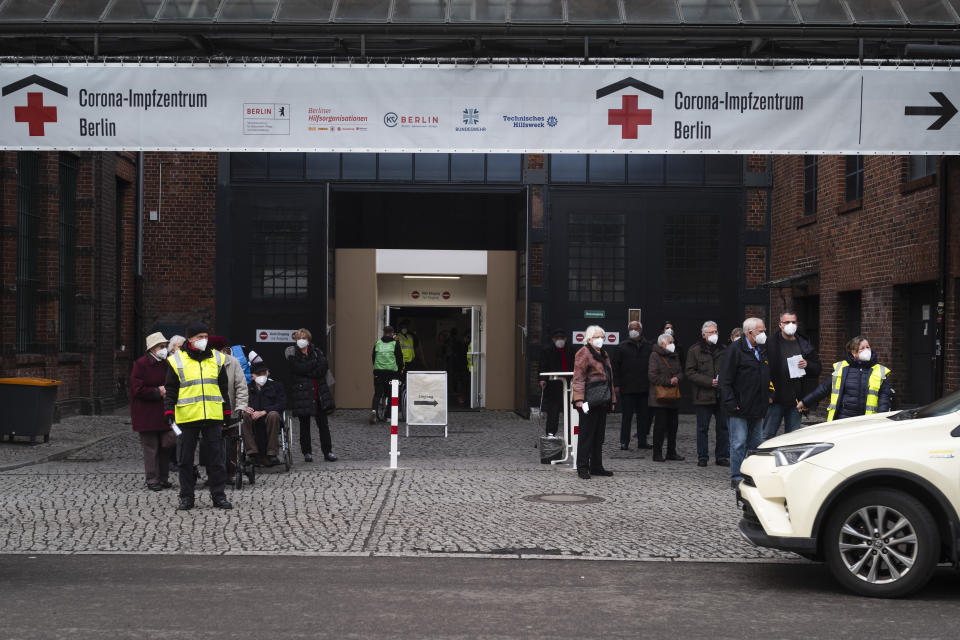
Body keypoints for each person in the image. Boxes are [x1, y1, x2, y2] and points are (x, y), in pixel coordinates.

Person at [163, 322, 233, 511]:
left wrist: (227, 411)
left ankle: (219, 496)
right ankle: (187, 497)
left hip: (212, 415)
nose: (204, 340)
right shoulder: (177, 360)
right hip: (187, 417)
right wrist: (169, 411)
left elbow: (223, 388)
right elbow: (171, 390)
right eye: (199, 337)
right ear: (191, 339)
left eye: (205, 336)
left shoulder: (217, 359)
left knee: (216, 459)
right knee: (185, 460)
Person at [721, 317, 772, 489]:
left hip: (758, 406)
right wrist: (731, 402)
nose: (764, 334)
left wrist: (769, 393)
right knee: (739, 443)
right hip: (739, 406)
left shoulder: (763, 349)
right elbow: (725, 380)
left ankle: (751, 475)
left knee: (755, 444)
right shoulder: (735, 350)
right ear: (750, 332)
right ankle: (736, 476)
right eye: (761, 331)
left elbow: (767, 374)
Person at [798, 336, 892, 421]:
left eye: (868, 347)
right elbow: (824, 389)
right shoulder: (841, 368)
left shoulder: (879, 370)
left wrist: (881, 419)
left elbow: (884, 399)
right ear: (853, 353)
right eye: (862, 348)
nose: (866, 350)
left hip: (867, 421)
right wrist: (805, 402)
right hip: (844, 419)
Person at [763, 311, 822, 440]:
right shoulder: (770, 343)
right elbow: (763, 369)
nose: (791, 324)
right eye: (787, 322)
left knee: (793, 438)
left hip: (796, 400)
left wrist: (808, 365)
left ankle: (791, 460)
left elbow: (817, 368)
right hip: (775, 398)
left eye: (793, 322)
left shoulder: (804, 343)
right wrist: (768, 392)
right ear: (780, 324)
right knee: (767, 435)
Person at [130, 332, 175, 491]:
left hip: (164, 412)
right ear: (152, 349)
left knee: (166, 445)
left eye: (165, 346)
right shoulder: (141, 364)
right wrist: (158, 391)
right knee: (151, 447)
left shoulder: (167, 364)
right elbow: (137, 389)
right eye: (161, 347)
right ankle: (152, 479)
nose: (164, 349)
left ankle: (163, 478)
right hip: (146, 414)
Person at [571, 325, 616, 480]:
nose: (600, 340)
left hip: (602, 400)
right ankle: (582, 467)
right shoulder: (583, 353)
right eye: (597, 337)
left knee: (598, 436)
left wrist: (612, 399)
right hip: (589, 400)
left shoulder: (603, 353)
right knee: (586, 436)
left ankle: (597, 466)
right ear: (589, 338)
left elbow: (609, 379)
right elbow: (578, 378)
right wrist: (579, 400)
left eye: (602, 337)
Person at [286, 328, 337, 463]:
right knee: (304, 425)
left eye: (304, 338)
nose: (301, 341)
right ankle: (307, 452)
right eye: (299, 338)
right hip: (302, 394)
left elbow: (323, 367)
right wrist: (312, 366)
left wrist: (308, 369)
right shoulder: (292, 354)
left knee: (323, 424)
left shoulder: (316, 352)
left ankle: (328, 451)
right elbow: (297, 369)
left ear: (308, 340)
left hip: (318, 393)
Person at [685, 321, 729, 468]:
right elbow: (690, 372)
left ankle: (721, 456)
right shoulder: (695, 350)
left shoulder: (723, 349)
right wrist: (709, 382)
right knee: (702, 428)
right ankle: (702, 457)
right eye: (711, 332)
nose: (714, 335)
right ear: (704, 334)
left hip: (720, 395)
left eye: (716, 332)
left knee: (723, 427)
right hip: (703, 395)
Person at [612, 320, 654, 450]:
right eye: (631, 328)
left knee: (644, 417)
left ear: (641, 330)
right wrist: (617, 384)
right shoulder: (622, 347)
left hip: (644, 388)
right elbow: (616, 367)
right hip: (627, 388)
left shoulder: (649, 346)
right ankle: (624, 442)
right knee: (627, 417)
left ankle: (642, 441)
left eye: (636, 328)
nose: (634, 330)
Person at [648, 332, 685, 462]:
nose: (672, 345)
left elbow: (681, 372)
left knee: (673, 426)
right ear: (663, 344)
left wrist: (677, 378)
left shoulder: (675, 355)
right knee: (660, 426)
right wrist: (669, 381)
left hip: (673, 397)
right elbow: (652, 376)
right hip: (660, 398)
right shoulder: (654, 355)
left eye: (673, 342)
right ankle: (657, 453)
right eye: (670, 342)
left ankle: (671, 452)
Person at [242, 361, 287, 466]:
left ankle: (272, 453)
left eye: (264, 373)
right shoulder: (247, 388)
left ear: (267, 374)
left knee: (274, 414)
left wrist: (264, 411)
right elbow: (241, 402)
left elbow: (282, 403)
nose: (262, 376)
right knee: (243, 416)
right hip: (252, 418)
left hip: (270, 418)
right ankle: (252, 452)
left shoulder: (276, 386)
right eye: (258, 374)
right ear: (253, 376)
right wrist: (244, 408)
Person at [538, 328, 577, 436]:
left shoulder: (572, 350)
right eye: (557, 338)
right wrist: (542, 379)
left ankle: (571, 435)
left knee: (570, 413)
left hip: (569, 386)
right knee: (553, 413)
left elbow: (576, 366)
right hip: (553, 386)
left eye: (562, 338)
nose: (560, 340)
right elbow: (543, 367)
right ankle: (550, 434)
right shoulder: (547, 350)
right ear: (553, 339)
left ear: (565, 339)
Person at [370, 325, 405, 423]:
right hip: (391, 373)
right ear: (392, 333)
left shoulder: (378, 343)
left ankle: (373, 411)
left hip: (378, 372)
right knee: (391, 394)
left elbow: (373, 357)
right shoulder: (395, 344)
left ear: (384, 332)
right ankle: (389, 416)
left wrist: (377, 367)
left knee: (377, 394)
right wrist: (401, 369)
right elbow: (399, 358)